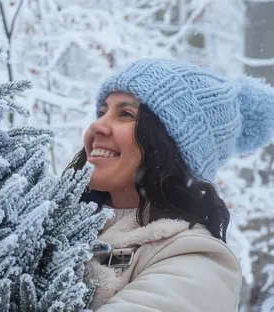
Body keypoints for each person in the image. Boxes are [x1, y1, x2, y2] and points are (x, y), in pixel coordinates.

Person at [65, 59, 274, 311]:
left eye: (126, 114)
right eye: (102, 112)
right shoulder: (54, 224)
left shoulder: (198, 266)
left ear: (171, 146)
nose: (96, 125)